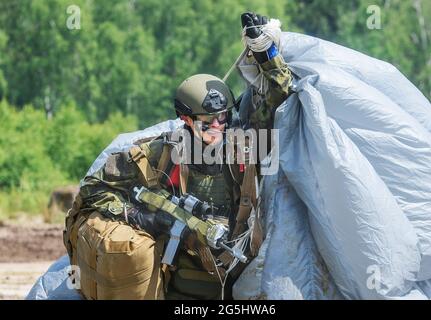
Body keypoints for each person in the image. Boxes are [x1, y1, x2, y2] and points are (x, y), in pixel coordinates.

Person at [63, 12, 294, 300]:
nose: (217, 127)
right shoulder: (162, 153)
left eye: (223, 117)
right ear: (185, 119)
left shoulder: (242, 147)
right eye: (206, 122)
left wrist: (264, 50)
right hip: (174, 283)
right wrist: (143, 217)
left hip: (233, 280)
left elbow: (280, 97)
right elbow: (92, 191)